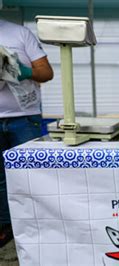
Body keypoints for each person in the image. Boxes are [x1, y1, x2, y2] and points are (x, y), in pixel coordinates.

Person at [0, 18, 54, 247]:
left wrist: (23, 71)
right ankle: (5, 227)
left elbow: (46, 72)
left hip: (24, 117)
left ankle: (40, 223)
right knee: (1, 179)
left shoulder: (19, 34)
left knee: (33, 174)